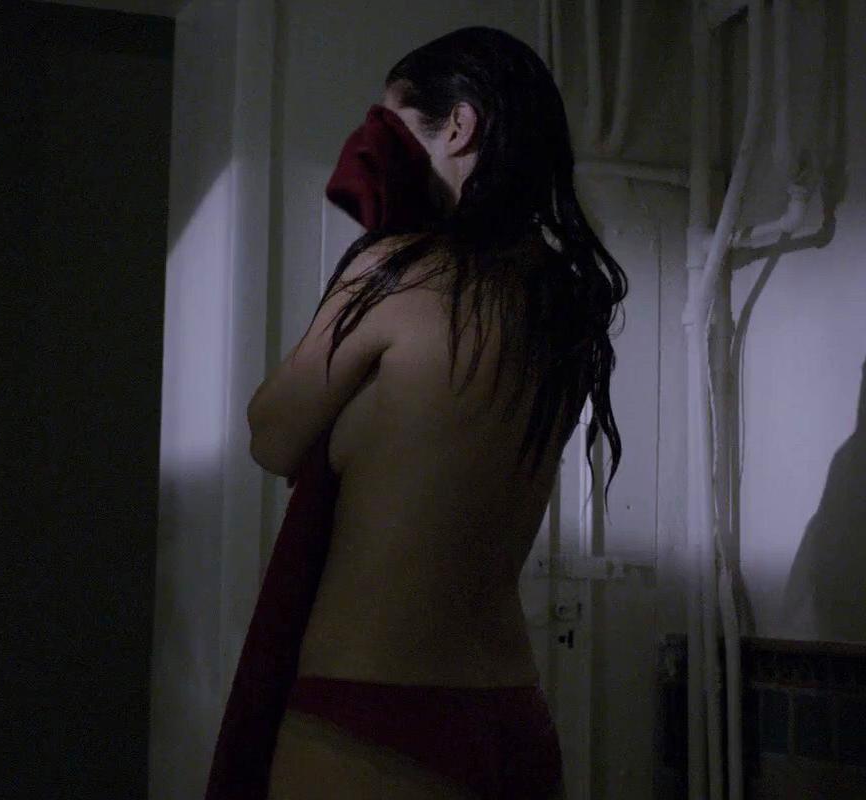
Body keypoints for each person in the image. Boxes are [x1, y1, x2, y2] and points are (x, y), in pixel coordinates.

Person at [244, 26, 627, 799]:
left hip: (374, 707)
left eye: (389, 126)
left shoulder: (400, 271)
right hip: (513, 713)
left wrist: (382, 250)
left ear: (458, 125)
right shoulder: (563, 304)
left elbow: (272, 435)